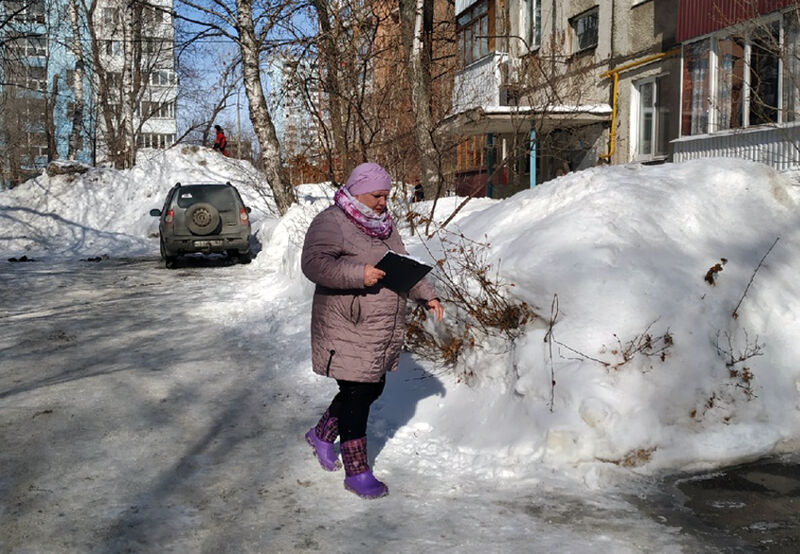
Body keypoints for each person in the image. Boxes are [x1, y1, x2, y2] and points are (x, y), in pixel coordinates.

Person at [301, 162, 443, 499]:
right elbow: (314, 264)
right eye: (377, 195)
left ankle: (321, 435)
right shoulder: (331, 221)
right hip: (346, 324)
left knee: (370, 389)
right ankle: (356, 471)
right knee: (356, 397)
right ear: (358, 190)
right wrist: (357, 274)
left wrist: (428, 294)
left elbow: (402, 264)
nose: (383, 202)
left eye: (386, 195)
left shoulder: (383, 225)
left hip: (379, 328)